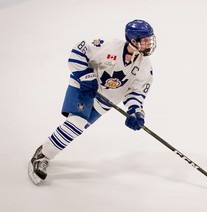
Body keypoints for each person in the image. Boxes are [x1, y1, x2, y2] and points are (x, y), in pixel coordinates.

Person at [28, 19, 157, 184]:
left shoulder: (145, 67)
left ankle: (45, 150)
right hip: (84, 87)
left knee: (75, 130)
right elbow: (78, 51)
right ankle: (42, 156)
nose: (149, 43)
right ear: (132, 40)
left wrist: (135, 111)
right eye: (145, 40)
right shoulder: (109, 46)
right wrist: (85, 76)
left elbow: (136, 92)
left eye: (149, 39)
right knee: (76, 123)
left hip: (106, 101)